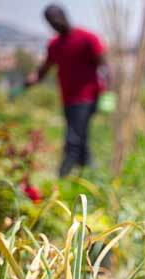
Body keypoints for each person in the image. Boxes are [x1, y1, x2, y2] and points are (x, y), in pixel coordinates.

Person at [26, 4, 109, 178]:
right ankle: (91, 177)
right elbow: (45, 68)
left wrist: (109, 93)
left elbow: (104, 65)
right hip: (68, 99)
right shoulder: (55, 45)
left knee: (73, 140)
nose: (55, 24)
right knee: (81, 139)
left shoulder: (87, 38)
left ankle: (61, 179)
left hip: (88, 98)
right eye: (51, 22)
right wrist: (34, 79)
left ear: (64, 16)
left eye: (56, 19)